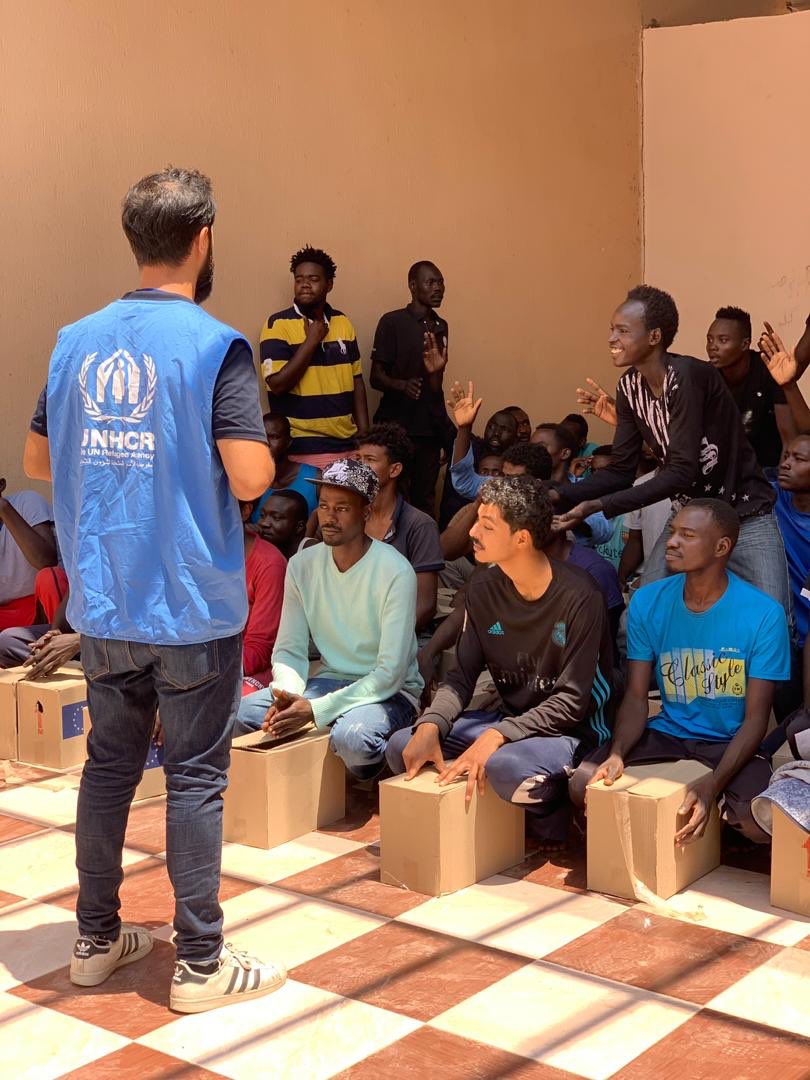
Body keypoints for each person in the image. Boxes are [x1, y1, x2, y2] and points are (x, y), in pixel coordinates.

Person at [23, 167, 284, 1012]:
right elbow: (250, 480)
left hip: (104, 601)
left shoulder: (74, 340)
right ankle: (201, 964)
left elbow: (36, 462)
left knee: (107, 771)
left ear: (135, 240)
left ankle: (95, 939)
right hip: (192, 605)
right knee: (196, 779)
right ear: (203, 238)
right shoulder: (216, 345)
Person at [387, 476, 614, 848]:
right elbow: (460, 677)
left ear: (521, 538)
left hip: (575, 732)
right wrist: (432, 722)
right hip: (511, 724)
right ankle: (497, 807)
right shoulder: (482, 588)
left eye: (487, 526)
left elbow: (573, 702)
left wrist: (497, 736)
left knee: (506, 767)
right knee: (403, 745)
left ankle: (552, 810)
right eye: (477, 520)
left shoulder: (580, 596)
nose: (472, 531)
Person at [554, 285, 790, 614]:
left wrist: (597, 505)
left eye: (622, 330)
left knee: (776, 617)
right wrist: (560, 496)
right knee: (641, 617)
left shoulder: (687, 376)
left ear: (654, 336)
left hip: (745, 513)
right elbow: (622, 469)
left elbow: (681, 470)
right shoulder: (629, 387)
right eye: (612, 329)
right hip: (688, 515)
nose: (611, 338)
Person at [570, 500, 790, 845]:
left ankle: (712, 814)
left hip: (729, 741)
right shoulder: (647, 600)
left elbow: (756, 720)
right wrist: (617, 753)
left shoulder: (763, 614)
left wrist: (714, 782)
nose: (671, 542)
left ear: (722, 547)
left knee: (757, 820)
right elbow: (636, 696)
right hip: (668, 733)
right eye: (673, 532)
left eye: (687, 535)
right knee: (582, 782)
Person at [236, 459, 422, 780]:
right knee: (241, 713)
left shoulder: (396, 571)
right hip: (326, 681)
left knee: (353, 738)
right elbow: (290, 648)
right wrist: (288, 694)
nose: (329, 518)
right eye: (323, 506)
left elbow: (390, 673)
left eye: (342, 508)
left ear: (365, 512)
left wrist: (314, 710)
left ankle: (365, 785)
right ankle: (323, 772)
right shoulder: (302, 565)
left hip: (390, 691)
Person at [260, 246, 369, 469]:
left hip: (346, 446)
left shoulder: (343, 322)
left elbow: (357, 381)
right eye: (299, 279)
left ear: (329, 284)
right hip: (301, 449)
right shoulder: (277, 325)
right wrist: (311, 341)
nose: (305, 284)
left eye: (313, 279)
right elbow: (277, 385)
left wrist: (365, 437)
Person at [370, 261, 452, 516]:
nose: (438, 288)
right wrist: (401, 385)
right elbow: (375, 377)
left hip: (427, 429)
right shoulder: (392, 322)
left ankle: (421, 551)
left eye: (441, 282)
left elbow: (436, 385)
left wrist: (435, 374)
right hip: (396, 426)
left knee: (425, 499)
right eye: (431, 282)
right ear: (413, 286)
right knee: (391, 494)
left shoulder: (441, 326)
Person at [355, 424, 444, 632]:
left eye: (370, 460)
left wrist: (382, 642)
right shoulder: (349, 518)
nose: (360, 466)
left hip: (399, 634)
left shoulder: (420, 525)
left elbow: (424, 606)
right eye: (358, 459)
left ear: (394, 469)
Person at [706, 306, 795, 472]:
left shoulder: (769, 371)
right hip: (724, 471)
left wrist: (783, 487)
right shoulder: (706, 377)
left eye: (722, 340)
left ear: (745, 344)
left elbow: (788, 440)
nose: (713, 347)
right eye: (710, 339)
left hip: (768, 469)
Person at [240, 500, 287, 694]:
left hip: (249, 667)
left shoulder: (269, 564)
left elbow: (260, 648)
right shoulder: (193, 555)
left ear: (245, 511)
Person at [0, 477, 59, 630]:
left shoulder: (26, 501)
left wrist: (4, 509)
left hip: (40, 606)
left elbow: (45, 560)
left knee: (49, 577)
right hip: (5, 615)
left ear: (1, 485)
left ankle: (59, 640)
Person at [250, 413, 319, 522]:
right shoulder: (249, 482)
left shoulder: (314, 479)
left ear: (288, 442)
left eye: (274, 437)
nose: (266, 443)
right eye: (262, 436)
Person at [255, 489, 309, 560]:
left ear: (299, 526)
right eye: (262, 515)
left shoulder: (311, 553)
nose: (264, 523)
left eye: (276, 517)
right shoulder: (255, 544)